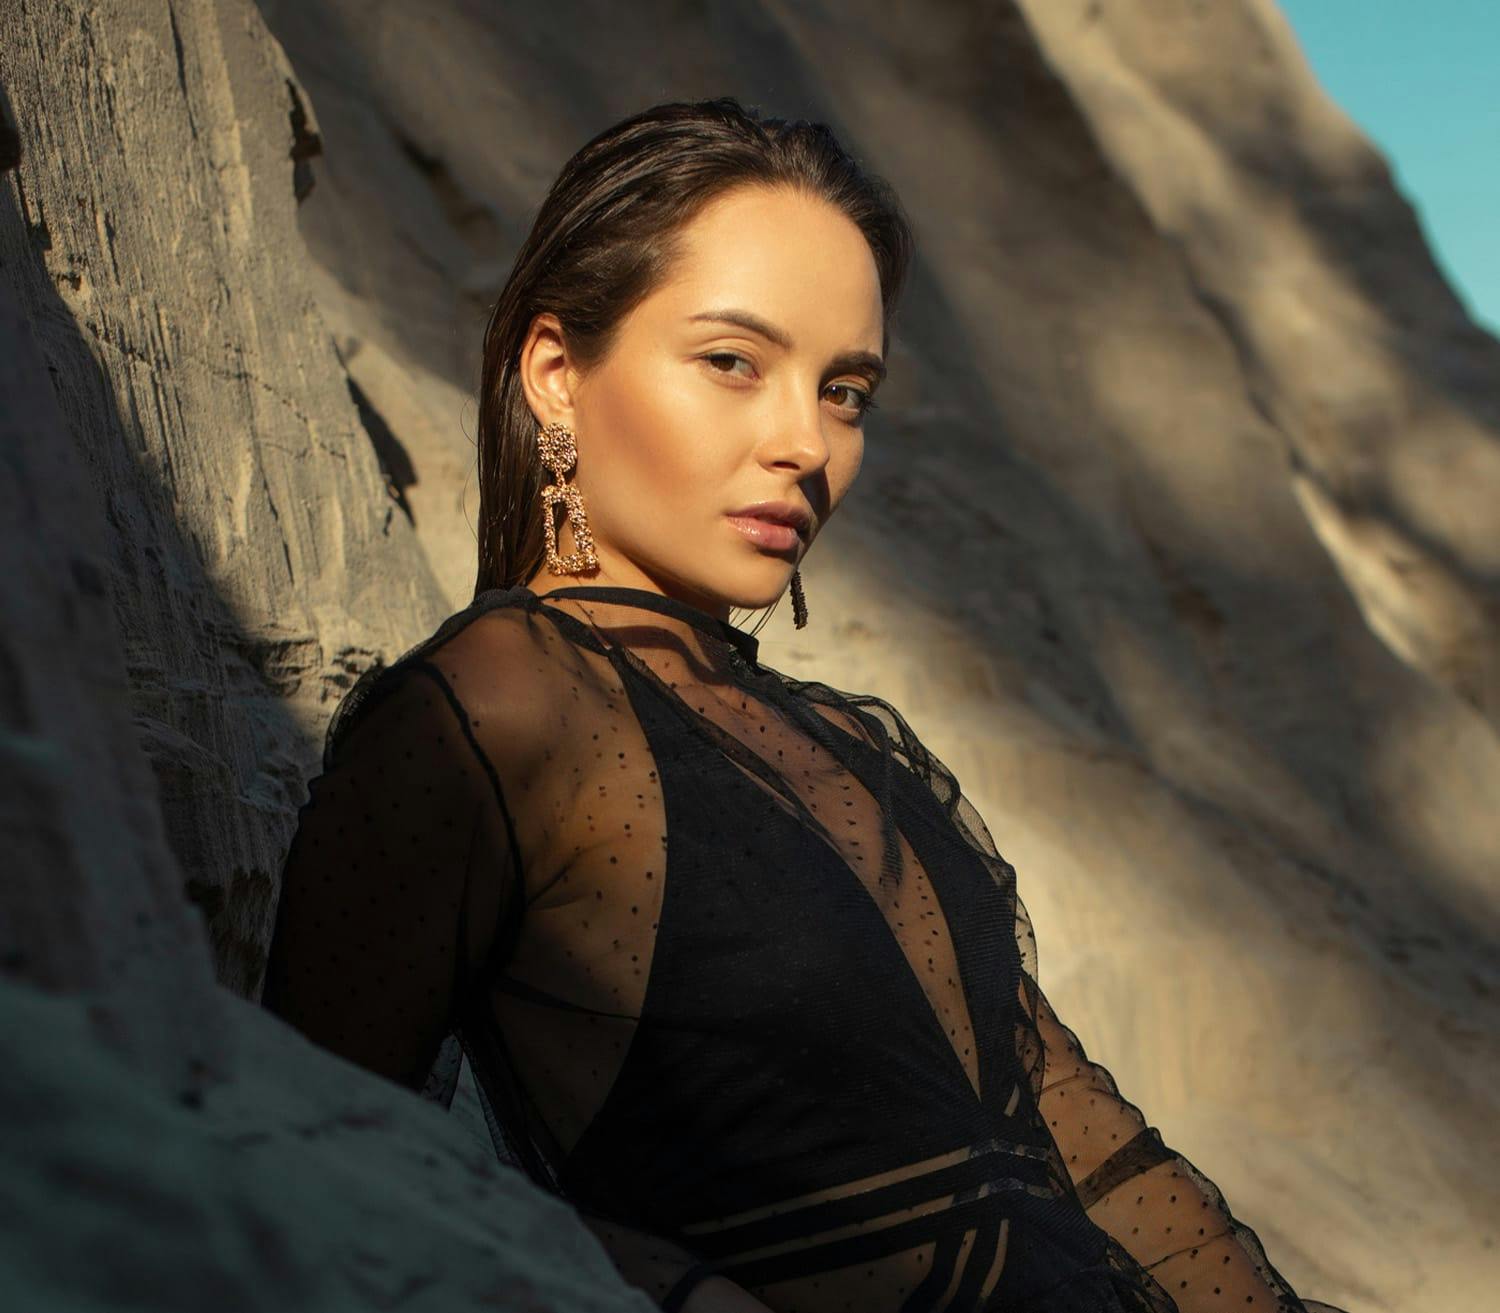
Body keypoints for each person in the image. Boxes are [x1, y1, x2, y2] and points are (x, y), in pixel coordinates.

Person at [261, 98, 1346, 1313]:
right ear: (558, 375)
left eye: (847, 391)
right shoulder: (499, 710)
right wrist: (655, 1278)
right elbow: (315, 1156)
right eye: (734, 361)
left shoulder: (849, 748)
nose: (805, 442)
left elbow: (1087, 1147)